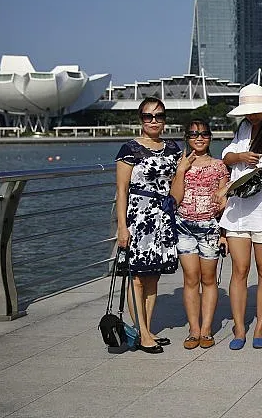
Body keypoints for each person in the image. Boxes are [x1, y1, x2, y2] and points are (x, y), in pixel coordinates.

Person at [215, 84, 262, 351]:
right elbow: (226, 155)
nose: (252, 116)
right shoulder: (243, 128)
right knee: (239, 270)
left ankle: (260, 327)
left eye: (256, 111)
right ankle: (238, 327)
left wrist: (226, 188)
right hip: (237, 212)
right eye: (248, 111)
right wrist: (239, 156)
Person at [114, 97, 182, 354]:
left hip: (162, 219)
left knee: (153, 277)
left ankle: (147, 329)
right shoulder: (129, 149)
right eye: (148, 116)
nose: (154, 121)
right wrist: (123, 226)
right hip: (137, 218)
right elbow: (121, 190)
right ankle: (142, 332)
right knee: (137, 278)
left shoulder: (173, 149)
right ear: (140, 119)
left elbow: (178, 180)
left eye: (159, 116)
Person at [169, 119, 229, 350]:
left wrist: (223, 232)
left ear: (210, 137)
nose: (199, 137)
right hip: (184, 225)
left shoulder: (220, 165)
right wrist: (181, 170)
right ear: (187, 137)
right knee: (190, 278)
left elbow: (225, 202)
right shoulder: (180, 163)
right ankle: (194, 329)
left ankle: (207, 328)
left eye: (203, 133)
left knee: (209, 278)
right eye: (194, 134)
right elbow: (175, 197)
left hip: (210, 227)